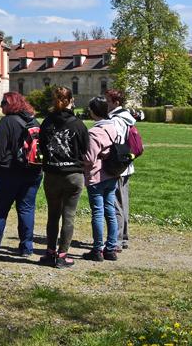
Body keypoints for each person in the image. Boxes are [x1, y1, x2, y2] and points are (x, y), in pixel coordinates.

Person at [0, 92, 42, 257]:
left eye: (3, 102)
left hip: (9, 172)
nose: (1, 106)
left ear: (11, 104)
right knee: (27, 209)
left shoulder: (6, 122)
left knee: (0, 210)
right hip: (32, 172)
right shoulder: (33, 121)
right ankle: (26, 248)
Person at [37, 87, 89, 268]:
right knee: (69, 216)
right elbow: (85, 149)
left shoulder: (47, 122)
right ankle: (63, 254)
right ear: (71, 101)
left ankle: (50, 252)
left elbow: (41, 146)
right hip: (73, 174)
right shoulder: (78, 124)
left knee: (53, 215)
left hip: (52, 173)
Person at [83, 96, 120, 261]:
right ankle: (111, 248)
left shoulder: (94, 132)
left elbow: (89, 158)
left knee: (98, 212)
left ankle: (97, 249)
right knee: (110, 211)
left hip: (97, 176)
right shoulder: (113, 127)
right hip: (112, 173)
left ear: (93, 112)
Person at [105, 88, 136, 251]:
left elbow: (114, 140)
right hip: (126, 165)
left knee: (115, 203)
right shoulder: (128, 117)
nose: (106, 104)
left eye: (108, 101)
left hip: (117, 166)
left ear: (116, 102)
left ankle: (116, 240)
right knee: (123, 203)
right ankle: (123, 237)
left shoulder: (116, 120)